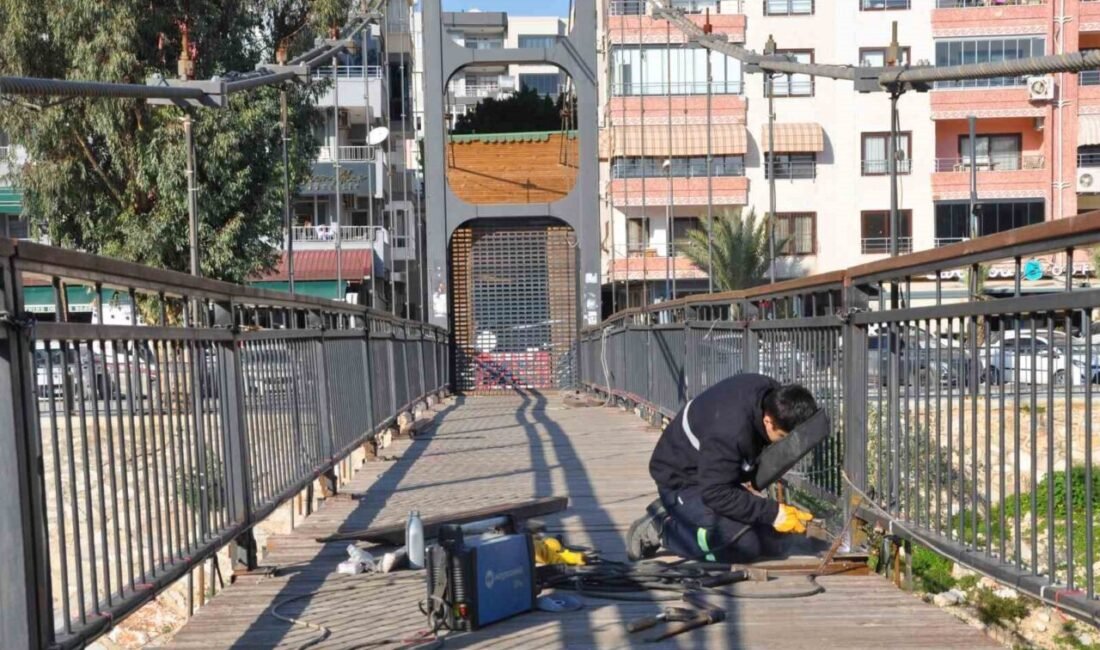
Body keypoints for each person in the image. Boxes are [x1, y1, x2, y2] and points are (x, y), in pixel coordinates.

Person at [627, 373, 818, 563]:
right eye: (783, 437)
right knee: (743, 546)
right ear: (768, 421)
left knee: (772, 541)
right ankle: (663, 527)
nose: (782, 443)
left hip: (714, 473)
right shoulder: (730, 431)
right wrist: (774, 513)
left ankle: (682, 512)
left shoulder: (771, 394)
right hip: (682, 480)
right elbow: (715, 492)